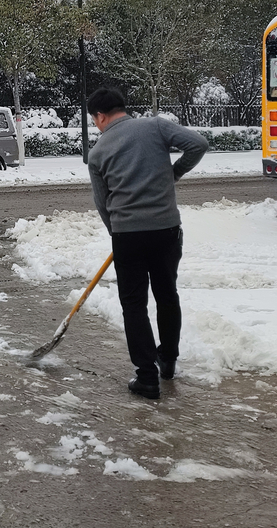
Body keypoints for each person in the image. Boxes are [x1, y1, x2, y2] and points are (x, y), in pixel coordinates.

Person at [86, 87, 208, 400]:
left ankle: (147, 377)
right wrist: (173, 173)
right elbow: (198, 144)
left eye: (95, 120)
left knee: (134, 305)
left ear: (100, 116)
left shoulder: (98, 152)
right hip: (166, 229)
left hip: (128, 235)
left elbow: (103, 203)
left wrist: (118, 233)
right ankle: (167, 360)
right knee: (167, 294)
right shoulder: (155, 126)